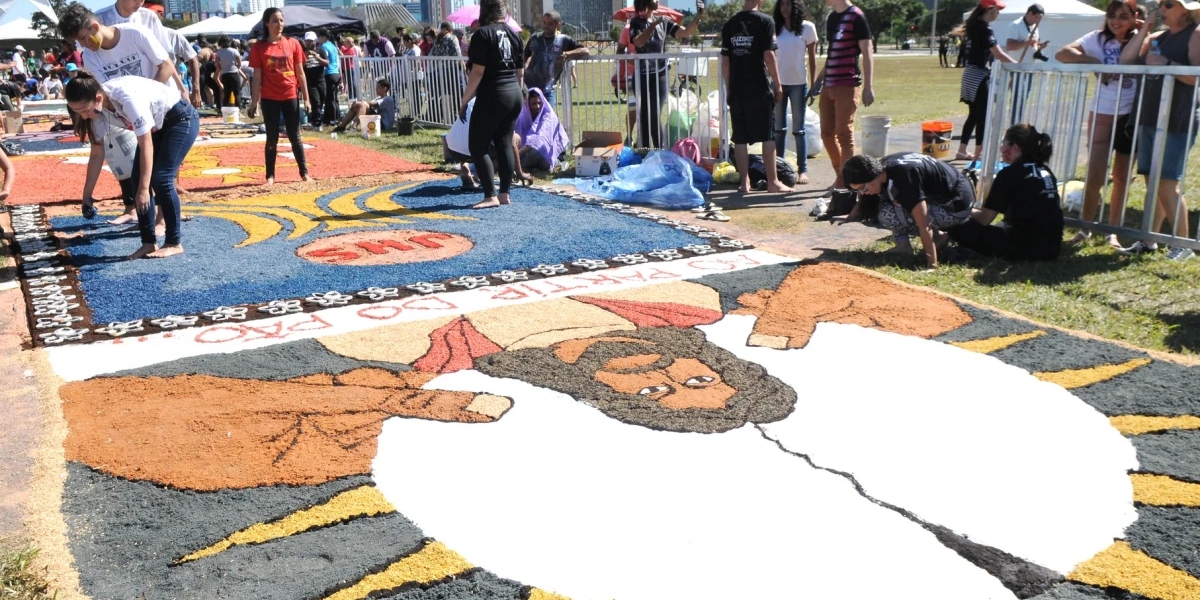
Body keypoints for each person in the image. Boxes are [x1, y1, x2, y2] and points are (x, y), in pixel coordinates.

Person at [57, 1, 180, 226]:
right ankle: (145, 223)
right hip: (132, 112)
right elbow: (102, 95)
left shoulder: (135, 34)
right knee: (139, 170)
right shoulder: (91, 57)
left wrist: (146, 102)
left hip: (165, 109)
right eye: (78, 42)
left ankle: (164, 223)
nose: (84, 44)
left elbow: (166, 67)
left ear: (95, 27)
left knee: (160, 173)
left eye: (84, 38)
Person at [69, 71, 199, 259]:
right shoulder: (98, 108)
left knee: (161, 179)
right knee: (136, 179)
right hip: (158, 126)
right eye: (78, 112)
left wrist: (145, 190)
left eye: (85, 110)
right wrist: (87, 194)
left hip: (180, 119)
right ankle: (148, 243)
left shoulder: (128, 99)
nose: (85, 117)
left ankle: (174, 242)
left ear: (98, 98)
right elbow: (97, 152)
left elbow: (146, 143)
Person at [1117, 0, 1200, 260]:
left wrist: (1166, 64)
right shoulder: (1157, 36)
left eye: (1168, 5)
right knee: (1153, 182)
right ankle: (1150, 240)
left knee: (1166, 182)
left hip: (1177, 118)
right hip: (1150, 116)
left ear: (1186, 9)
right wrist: (1143, 31)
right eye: (1160, 5)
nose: (1161, 9)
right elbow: (1125, 60)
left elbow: (1196, 77)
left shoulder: (1196, 33)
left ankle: (1183, 244)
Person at [1056, 0, 1139, 249]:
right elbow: (1063, 53)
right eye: (1112, 15)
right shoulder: (1097, 38)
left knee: (1122, 177)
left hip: (1130, 114)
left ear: (1134, 17)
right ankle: (1086, 228)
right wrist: (1093, 61)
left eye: (1123, 16)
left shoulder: (1142, 38)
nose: (1116, 21)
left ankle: (1112, 231)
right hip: (1102, 111)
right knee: (1095, 175)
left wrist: (1144, 29)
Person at [947, 124, 1063, 260]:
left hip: (1022, 250)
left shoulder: (1009, 174)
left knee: (956, 221)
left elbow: (985, 219)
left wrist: (967, 208)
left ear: (1014, 147)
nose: (1001, 149)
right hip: (1052, 249)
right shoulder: (1046, 171)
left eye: (1003, 143)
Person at [841, 152, 975, 269]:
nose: (863, 193)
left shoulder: (905, 179)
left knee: (887, 214)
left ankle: (935, 239)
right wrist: (849, 218)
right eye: (858, 190)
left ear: (872, 176)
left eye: (863, 188)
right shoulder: (884, 167)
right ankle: (922, 241)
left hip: (954, 208)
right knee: (889, 203)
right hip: (956, 193)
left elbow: (924, 224)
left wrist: (932, 265)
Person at [458, 0, 525, 209]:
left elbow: (478, 71)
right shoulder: (515, 34)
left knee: (477, 145)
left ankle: (490, 195)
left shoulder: (482, 34)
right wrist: (514, 94)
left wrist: (464, 100)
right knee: (505, 142)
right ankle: (504, 193)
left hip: (494, 93)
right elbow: (520, 72)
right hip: (514, 92)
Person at [722, 0, 789, 194]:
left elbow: (725, 61)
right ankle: (773, 182)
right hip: (759, 87)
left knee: (740, 138)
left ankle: (744, 183)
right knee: (767, 136)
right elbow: (769, 55)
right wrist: (778, 84)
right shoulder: (766, 21)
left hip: (737, 89)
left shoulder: (731, 23)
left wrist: (729, 89)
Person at [813, 0, 874, 188]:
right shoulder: (832, 18)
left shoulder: (857, 16)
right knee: (826, 133)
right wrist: (818, 80)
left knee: (844, 134)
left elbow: (867, 51)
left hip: (847, 84)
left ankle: (843, 181)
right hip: (829, 84)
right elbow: (833, 53)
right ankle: (842, 175)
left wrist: (868, 87)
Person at [247, 7, 311, 186]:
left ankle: (304, 173)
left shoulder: (293, 44)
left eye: (281, 20)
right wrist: (254, 103)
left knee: (295, 136)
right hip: (269, 97)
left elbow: (300, 73)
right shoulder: (259, 47)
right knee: (272, 138)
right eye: (275, 21)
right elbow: (257, 77)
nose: (279, 24)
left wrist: (306, 98)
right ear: (267, 23)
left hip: (290, 94)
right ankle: (270, 176)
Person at [630, 0, 704, 149]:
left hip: (660, 73)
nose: (657, 1)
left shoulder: (664, 21)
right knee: (644, 115)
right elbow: (638, 42)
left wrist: (698, 16)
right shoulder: (636, 22)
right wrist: (652, 25)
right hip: (642, 74)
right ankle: (644, 152)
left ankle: (659, 150)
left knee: (655, 113)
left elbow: (685, 32)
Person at [94, 0, 198, 106]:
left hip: (157, 91)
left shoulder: (149, 17)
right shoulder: (100, 19)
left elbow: (166, 60)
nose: (140, 2)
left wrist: (182, 89)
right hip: (122, 96)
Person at [953, 0, 1016, 161]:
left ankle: (962, 151)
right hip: (979, 75)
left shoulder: (973, 26)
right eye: (998, 11)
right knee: (983, 116)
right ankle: (978, 154)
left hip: (969, 74)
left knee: (974, 115)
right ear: (991, 10)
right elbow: (998, 53)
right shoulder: (985, 29)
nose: (999, 14)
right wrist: (1017, 65)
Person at [772, 0, 818, 181]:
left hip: (799, 84)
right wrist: (773, 83)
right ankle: (780, 170)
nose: (785, 8)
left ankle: (802, 170)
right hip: (778, 84)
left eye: (788, 5)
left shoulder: (807, 28)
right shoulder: (774, 27)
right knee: (778, 129)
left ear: (795, 6)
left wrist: (814, 84)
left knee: (799, 129)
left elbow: (813, 59)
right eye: (782, 5)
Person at [523, 11, 589, 109]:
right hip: (529, 88)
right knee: (528, 120)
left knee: (548, 120)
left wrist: (566, 54)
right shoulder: (535, 38)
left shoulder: (564, 40)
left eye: (550, 24)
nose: (546, 26)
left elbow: (585, 51)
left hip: (548, 90)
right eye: (544, 23)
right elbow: (523, 57)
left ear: (558, 24)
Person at [1004, 3, 1050, 121]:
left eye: (1040, 18)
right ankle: (1014, 122)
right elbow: (1010, 46)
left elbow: (1032, 46)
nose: (1037, 20)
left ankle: (1017, 121)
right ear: (1030, 13)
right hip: (1018, 66)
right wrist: (1026, 42)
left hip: (1030, 67)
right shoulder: (1016, 25)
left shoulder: (1035, 28)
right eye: (1036, 17)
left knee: (1024, 97)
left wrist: (1039, 47)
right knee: (1018, 96)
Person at [514, 87, 568, 172]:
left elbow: (536, 141)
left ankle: (554, 162)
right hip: (526, 152)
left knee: (534, 153)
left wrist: (516, 154)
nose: (537, 106)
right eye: (534, 104)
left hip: (545, 153)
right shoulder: (524, 115)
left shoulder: (548, 115)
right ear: (528, 104)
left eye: (539, 103)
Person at [331, 78, 396, 133]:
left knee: (362, 105)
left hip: (384, 125)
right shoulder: (378, 98)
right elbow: (368, 104)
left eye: (378, 87)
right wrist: (357, 104)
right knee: (359, 106)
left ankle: (353, 127)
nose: (376, 89)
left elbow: (370, 104)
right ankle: (341, 126)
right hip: (378, 121)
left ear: (385, 89)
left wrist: (358, 103)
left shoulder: (387, 99)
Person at [316, 29, 341, 128]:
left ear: (324, 37)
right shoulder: (333, 46)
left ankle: (332, 120)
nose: (318, 39)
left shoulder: (324, 47)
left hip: (329, 73)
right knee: (335, 98)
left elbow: (325, 60)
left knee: (330, 98)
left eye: (319, 37)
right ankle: (337, 118)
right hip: (336, 72)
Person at [302, 32, 326, 125]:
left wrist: (317, 57)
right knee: (315, 101)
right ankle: (316, 121)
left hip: (320, 79)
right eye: (307, 41)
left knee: (322, 98)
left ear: (315, 41)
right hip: (310, 81)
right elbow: (300, 65)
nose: (309, 43)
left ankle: (317, 116)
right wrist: (306, 56)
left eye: (311, 41)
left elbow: (326, 63)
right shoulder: (303, 52)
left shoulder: (320, 51)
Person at [215, 35, 244, 108]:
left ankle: (225, 110)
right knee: (236, 93)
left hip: (225, 74)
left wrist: (221, 68)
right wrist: (237, 67)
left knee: (226, 94)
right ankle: (238, 111)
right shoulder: (234, 51)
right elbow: (239, 63)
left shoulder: (219, 53)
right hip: (234, 73)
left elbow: (216, 64)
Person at [338, 34, 359, 100]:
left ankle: (353, 95)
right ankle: (351, 95)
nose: (344, 44)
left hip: (350, 67)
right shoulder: (347, 48)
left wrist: (339, 52)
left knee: (351, 82)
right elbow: (343, 51)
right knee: (348, 82)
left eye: (346, 42)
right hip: (346, 67)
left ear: (349, 43)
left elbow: (346, 57)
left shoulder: (352, 49)